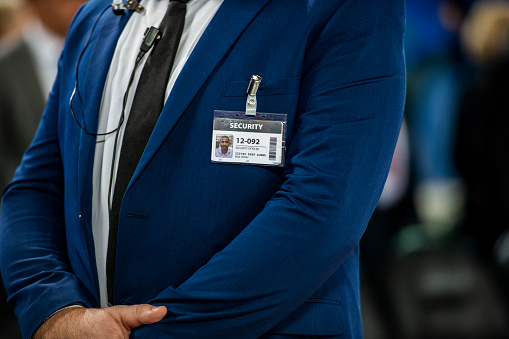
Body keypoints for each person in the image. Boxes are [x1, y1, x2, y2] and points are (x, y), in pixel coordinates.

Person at [0, 0, 406, 338]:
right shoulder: (97, 18)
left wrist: (146, 332)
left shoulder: (347, 8)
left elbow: (324, 208)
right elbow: (35, 187)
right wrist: (53, 312)